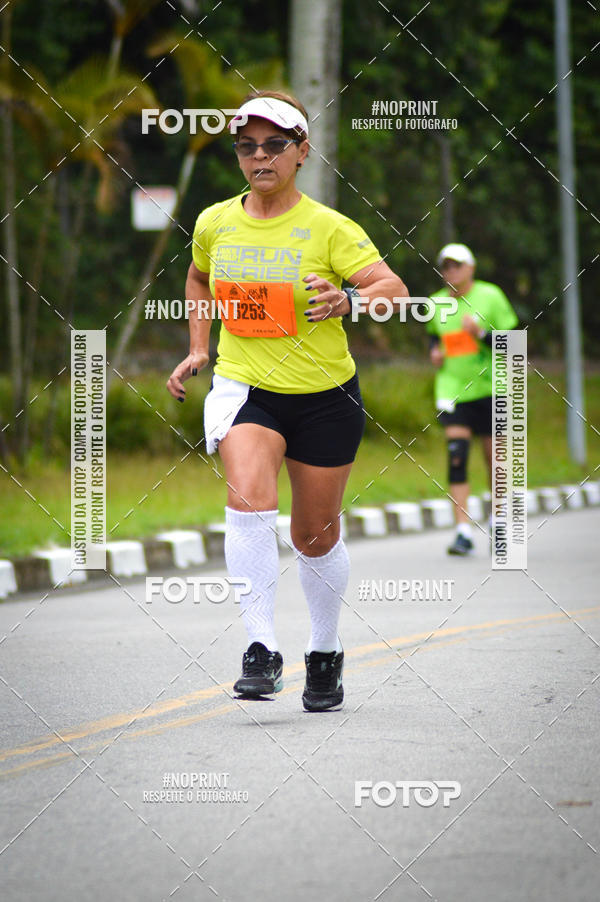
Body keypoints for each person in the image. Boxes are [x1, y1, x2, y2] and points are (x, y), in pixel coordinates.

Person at [167, 90, 408, 710]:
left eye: (275, 145)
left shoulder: (330, 227)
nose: (260, 157)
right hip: (246, 387)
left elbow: (394, 288)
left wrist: (352, 300)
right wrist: (199, 345)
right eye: (247, 147)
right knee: (249, 495)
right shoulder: (215, 221)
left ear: (302, 152)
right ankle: (260, 648)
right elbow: (198, 276)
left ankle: (324, 652)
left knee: (314, 534)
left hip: (326, 397)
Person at [427, 243, 518, 555]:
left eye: (456, 265)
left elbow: (515, 343)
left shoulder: (490, 296)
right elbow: (433, 335)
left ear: (471, 268)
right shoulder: (436, 303)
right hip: (453, 389)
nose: (450, 271)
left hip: (492, 389)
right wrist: (433, 352)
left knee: (495, 460)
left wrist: (480, 335)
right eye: (445, 266)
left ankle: (497, 520)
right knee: (457, 454)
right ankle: (463, 531)